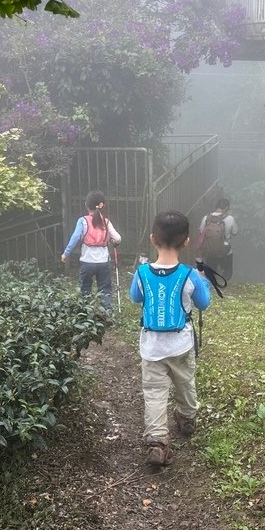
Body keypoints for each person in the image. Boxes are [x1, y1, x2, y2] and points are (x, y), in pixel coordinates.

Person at [129, 210, 211, 466]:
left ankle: (157, 442)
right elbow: (203, 303)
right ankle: (186, 419)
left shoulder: (141, 273)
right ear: (186, 242)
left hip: (151, 347)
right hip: (181, 345)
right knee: (185, 382)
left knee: (154, 392)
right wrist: (203, 281)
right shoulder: (190, 276)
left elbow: (135, 298)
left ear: (153, 239)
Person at [61, 191, 121, 311]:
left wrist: (66, 254)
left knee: (85, 288)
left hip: (87, 262)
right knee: (105, 289)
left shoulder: (82, 221)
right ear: (102, 205)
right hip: (103, 262)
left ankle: (85, 313)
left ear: (86, 205)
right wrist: (114, 241)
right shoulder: (106, 221)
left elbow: (75, 238)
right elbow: (118, 238)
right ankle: (107, 313)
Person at [197, 198, 237, 281]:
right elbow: (235, 232)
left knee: (210, 271)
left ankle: (211, 286)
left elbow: (201, 231)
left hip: (210, 250)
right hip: (225, 251)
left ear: (216, 206)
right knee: (227, 271)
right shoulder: (230, 218)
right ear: (226, 208)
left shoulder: (206, 218)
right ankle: (223, 286)